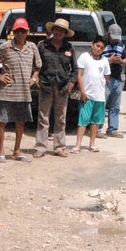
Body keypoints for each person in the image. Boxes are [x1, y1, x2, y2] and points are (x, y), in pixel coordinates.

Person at [0, 17, 41, 162]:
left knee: (21, 121)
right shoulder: (6, 47)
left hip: (24, 93)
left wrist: (34, 78)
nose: (20, 34)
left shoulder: (32, 47)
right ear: (13, 32)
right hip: (8, 91)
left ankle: (17, 151)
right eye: (17, 31)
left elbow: (38, 65)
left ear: (28, 32)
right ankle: (1, 152)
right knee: (2, 121)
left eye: (23, 31)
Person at [34, 18, 76, 157]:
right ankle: (41, 147)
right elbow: (35, 64)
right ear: (52, 31)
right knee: (43, 117)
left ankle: (59, 147)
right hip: (46, 85)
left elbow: (75, 69)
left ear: (65, 33)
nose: (58, 33)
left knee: (61, 118)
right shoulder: (42, 46)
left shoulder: (69, 48)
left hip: (62, 87)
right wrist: (36, 79)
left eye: (61, 31)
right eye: (56, 30)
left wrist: (71, 84)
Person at [74, 37, 110, 152]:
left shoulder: (104, 61)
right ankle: (78, 144)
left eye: (101, 48)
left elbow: (107, 77)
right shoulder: (85, 57)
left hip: (99, 96)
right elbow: (79, 75)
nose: (98, 49)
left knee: (95, 121)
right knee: (83, 120)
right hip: (87, 95)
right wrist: (83, 91)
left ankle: (92, 143)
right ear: (92, 44)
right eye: (97, 46)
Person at [103, 24, 126, 138]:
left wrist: (121, 61)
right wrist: (110, 60)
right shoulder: (103, 45)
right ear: (108, 34)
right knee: (101, 104)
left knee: (115, 106)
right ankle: (97, 128)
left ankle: (113, 129)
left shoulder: (121, 45)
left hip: (118, 79)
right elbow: (97, 59)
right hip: (105, 78)